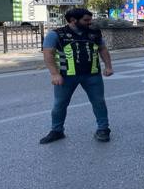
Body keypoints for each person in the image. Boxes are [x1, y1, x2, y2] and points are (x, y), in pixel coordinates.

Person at [39, 8, 114, 144]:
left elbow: (102, 49)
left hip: (92, 74)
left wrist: (108, 66)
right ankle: (57, 130)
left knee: (99, 102)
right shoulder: (56, 34)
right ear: (73, 20)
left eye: (90, 19)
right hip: (66, 76)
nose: (90, 22)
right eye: (86, 20)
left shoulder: (94, 33)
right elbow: (48, 53)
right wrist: (54, 74)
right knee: (60, 104)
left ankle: (103, 129)